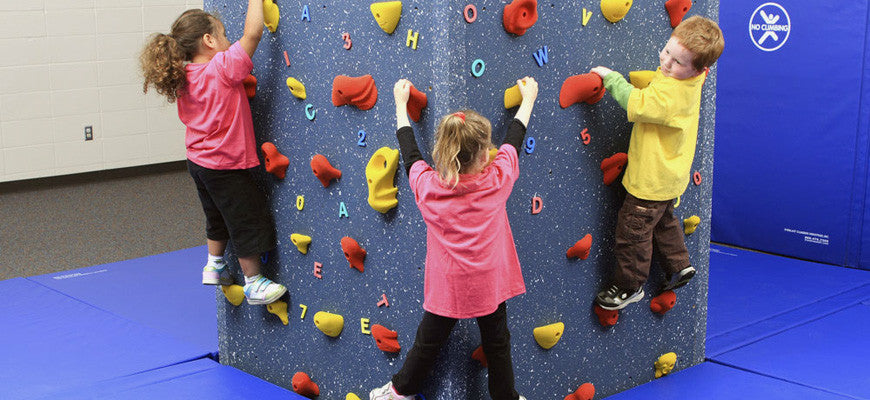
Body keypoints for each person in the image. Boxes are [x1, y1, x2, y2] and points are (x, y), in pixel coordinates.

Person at [368, 77, 538, 400]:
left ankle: (399, 392)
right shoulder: (497, 180)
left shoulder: (430, 190)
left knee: (427, 343)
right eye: (487, 147)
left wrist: (400, 105)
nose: (491, 151)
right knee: (498, 345)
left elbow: (410, 154)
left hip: (450, 288)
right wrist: (528, 99)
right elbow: (514, 140)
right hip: (489, 286)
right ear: (479, 159)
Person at [139, 2, 286, 305]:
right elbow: (253, 33)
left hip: (198, 163)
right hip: (225, 165)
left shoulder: (184, 76)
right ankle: (254, 281)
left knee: (216, 215)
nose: (228, 40)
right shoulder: (221, 68)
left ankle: (215, 264)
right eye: (222, 34)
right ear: (208, 41)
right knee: (244, 219)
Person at [590, 16, 724, 310]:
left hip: (650, 180)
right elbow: (671, 71)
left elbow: (636, 104)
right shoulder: (692, 78)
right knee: (663, 221)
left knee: (632, 232)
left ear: (700, 69)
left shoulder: (671, 94)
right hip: (671, 176)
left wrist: (611, 78)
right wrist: (674, 66)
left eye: (677, 62)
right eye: (666, 51)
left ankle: (629, 286)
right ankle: (679, 265)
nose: (665, 63)